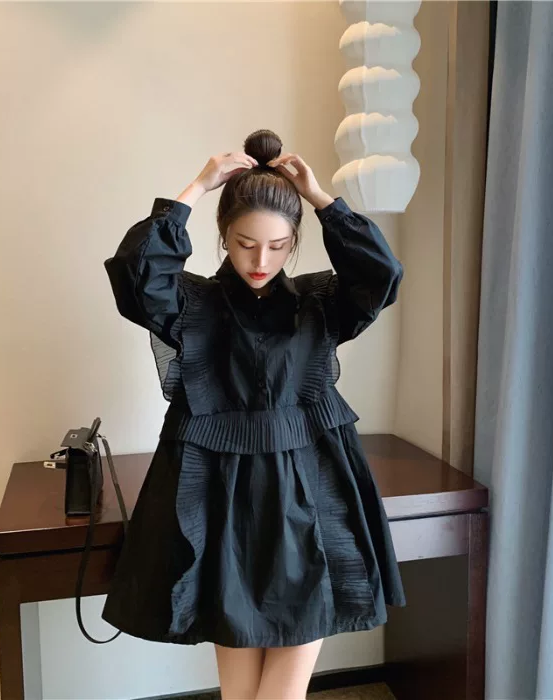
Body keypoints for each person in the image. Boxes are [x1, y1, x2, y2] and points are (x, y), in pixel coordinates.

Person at [101, 129, 406, 700]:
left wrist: (322, 200)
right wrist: (197, 187)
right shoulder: (191, 305)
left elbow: (381, 273)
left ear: (295, 243)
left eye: (277, 246)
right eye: (244, 244)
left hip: (311, 495)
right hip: (222, 504)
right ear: (222, 236)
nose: (261, 260)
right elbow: (136, 272)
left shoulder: (320, 303)